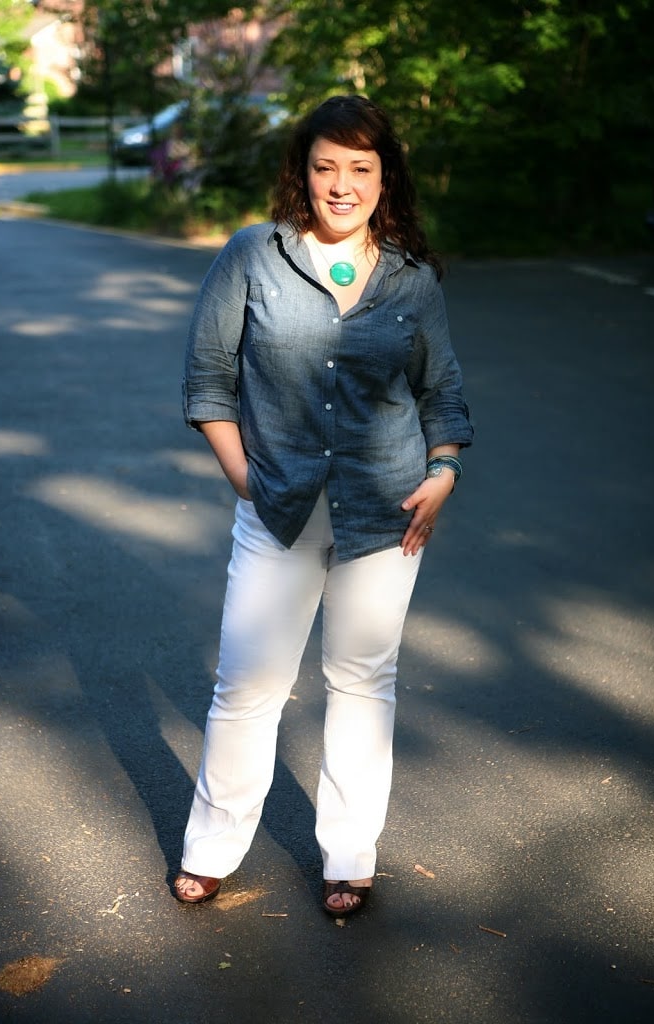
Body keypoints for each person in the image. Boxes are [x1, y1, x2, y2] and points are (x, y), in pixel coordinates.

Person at [174, 94, 473, 918]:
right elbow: (208, 383)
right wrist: (246, 479)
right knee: (247, 685)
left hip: (387, 512)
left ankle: (349, 855)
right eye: (325, 167)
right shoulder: (251, 257)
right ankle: (210, 849)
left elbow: (441, 394)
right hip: (278, 510)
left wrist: (442, 469)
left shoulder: (412, 280)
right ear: (302, 174)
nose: (341, 185)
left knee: (362, 682)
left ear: (385, 179)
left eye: (360, 169)